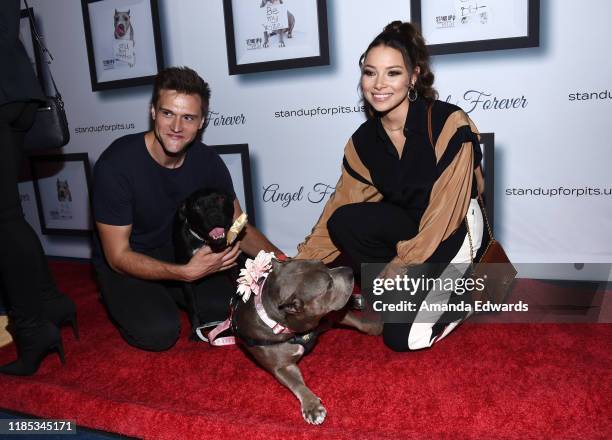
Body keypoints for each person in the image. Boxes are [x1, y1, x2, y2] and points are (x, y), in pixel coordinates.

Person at [295, 21, 485, 351]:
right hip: (412, 228)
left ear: (413, 76)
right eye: (370, 73)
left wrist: (401, 266)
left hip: (457, 226)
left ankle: (468, 289)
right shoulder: (364, 141)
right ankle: (412, 295)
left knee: (401, 339)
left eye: (393, 73)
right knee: (345, 221)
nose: (379, 84)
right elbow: (338, 210)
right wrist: (297, 267)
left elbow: (445, 212)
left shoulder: (447, 123)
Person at [92, 66, 283, 351]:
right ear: (153, 112)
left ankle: (173, 292)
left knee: (225, 309)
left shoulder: (208, 162)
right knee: (159, 334)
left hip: (182, 251)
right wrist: (185, 274)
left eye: (188, 117)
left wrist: (281, 261)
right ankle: (132, 296)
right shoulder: (115, 166)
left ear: (202, 121)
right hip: (129, 260)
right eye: (168, 113)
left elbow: (238, 227)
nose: (177, 127)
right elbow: (118, 255)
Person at [0, 0, 77, 376]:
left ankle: (31, 331)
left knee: (3, 219)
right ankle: (51, 302)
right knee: (9, 214)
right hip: (16, 87)